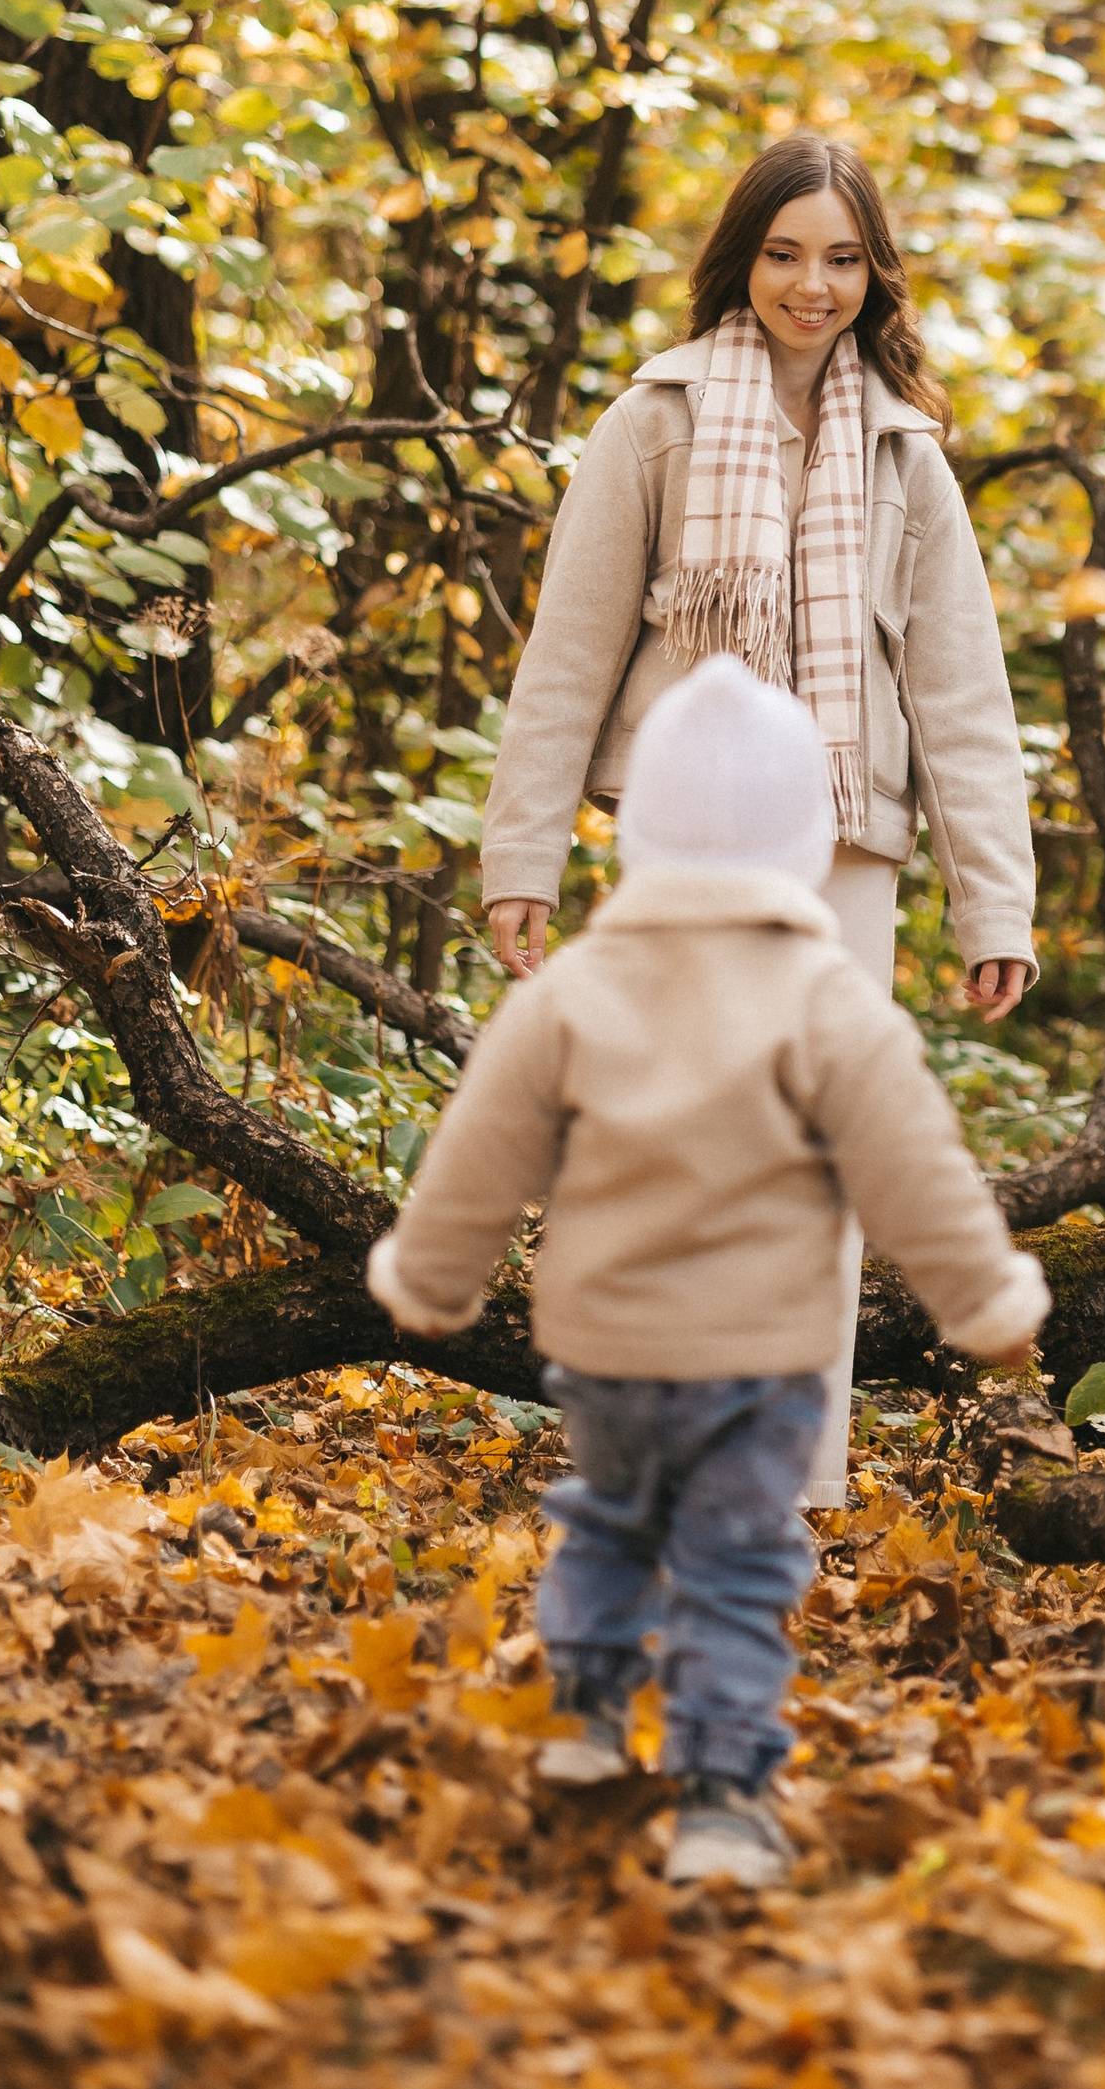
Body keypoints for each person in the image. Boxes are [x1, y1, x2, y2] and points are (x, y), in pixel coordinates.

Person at [369, 656, 1049, 1889]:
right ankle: (724, 1801)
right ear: (803, 842)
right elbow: (920, 1179)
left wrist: (429, 1279)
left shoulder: (573, 992)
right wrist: (984, 1304)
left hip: (609, 1350)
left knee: (611, 1519)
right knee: (737, 1565)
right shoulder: (825, 1000)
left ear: (642, 837)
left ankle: (584, 1711)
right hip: (762, 1362)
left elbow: (478, 1158)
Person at [476, 130, 1037, 1504]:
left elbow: (963, 694)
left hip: (848, 844)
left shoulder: (908, 459)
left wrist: (995, 902)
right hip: (685, 843)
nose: (813, 284)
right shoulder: (653, 421)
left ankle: (798, 1470)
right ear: (744, 260)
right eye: (786, 254)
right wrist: (523, 856)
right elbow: (570, 653)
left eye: (842, 258)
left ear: (873, 273)